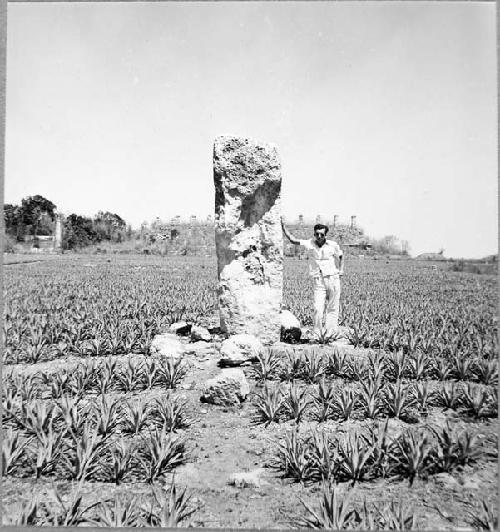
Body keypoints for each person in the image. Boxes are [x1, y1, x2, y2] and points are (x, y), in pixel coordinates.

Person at [281, 217, 344, 340]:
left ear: (325, 234)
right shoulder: (309, 243)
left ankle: (331, 333)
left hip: (333, 278)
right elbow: (293, 240)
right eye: (317, 234)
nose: (319, 236)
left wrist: (341, 270)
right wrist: (283, 227)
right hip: (318, 279)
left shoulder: (333, 245)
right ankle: (317, 333)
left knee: (333, 307)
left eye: (321, 234)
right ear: (314, 234)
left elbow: (341, 256)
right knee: (317, 308)